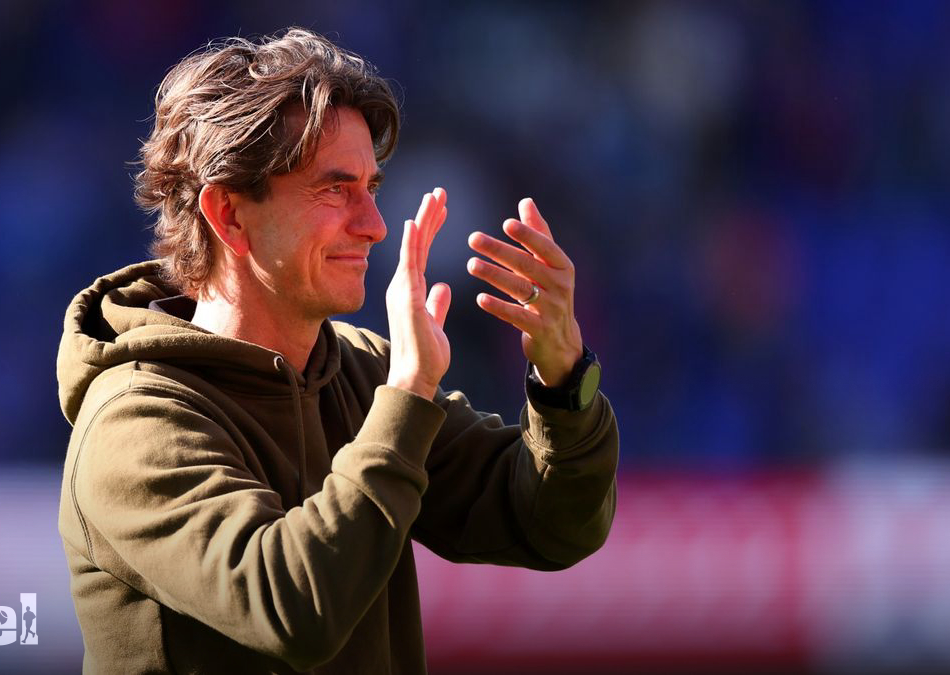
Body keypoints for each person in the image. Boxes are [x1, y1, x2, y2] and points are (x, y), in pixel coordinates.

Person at [57, 27, 618, 674]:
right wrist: (408, 395)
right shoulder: (134, 422)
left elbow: (551, 525)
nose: (374, 225)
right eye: (334, 189)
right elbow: (295, 607)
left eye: (371, 188)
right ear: (229, 215)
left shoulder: (363, 372)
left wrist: (562, 379)